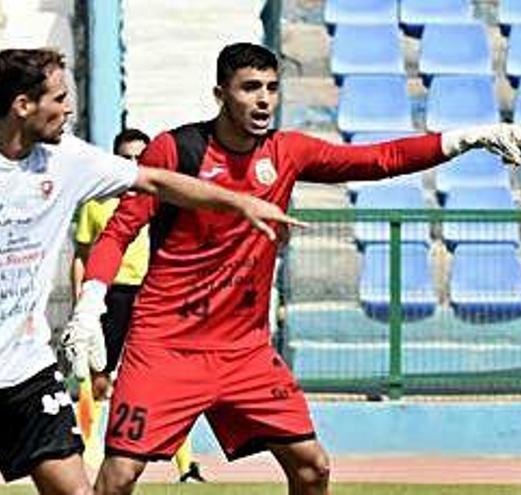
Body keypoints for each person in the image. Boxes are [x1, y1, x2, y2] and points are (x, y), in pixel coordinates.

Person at [68, 42, 521, 495]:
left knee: (313, 466)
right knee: (120, 476)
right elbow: (117, 232)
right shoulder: (176, 151)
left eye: (271, 88)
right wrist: (90, 306)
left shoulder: (287, 152)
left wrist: (466, 138)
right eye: (249, 87)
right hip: (167, 345)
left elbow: (378, 159)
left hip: (244, 349)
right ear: (220, 94)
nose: (263, 100)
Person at [0, 47, 300, 494]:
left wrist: (241, 202)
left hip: (26, 370)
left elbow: (157, 180)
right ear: (23, 106)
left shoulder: (68, 158)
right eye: (60, 98)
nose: (69, 108)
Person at [71, 128, 205, 483]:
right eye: (126, 157)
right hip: (112, 295)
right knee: (99, 379)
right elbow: (82, 256)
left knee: (166, 380)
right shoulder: (97, 203)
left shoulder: (166, 200)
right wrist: (82, 303)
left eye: (139, 157)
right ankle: (89, 453)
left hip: (153, 294)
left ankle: (186, 467)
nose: (133, 163)